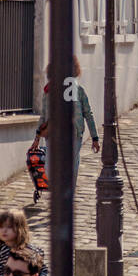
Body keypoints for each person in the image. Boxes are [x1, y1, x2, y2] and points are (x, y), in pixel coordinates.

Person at [34, 55, 99, 190]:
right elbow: (44, 115)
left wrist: (95, 137)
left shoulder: (78, 90)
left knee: (71, 164)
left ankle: (69, 192)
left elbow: (88, 113)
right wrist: (37, 136)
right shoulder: (49, 91)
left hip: (73, 133)